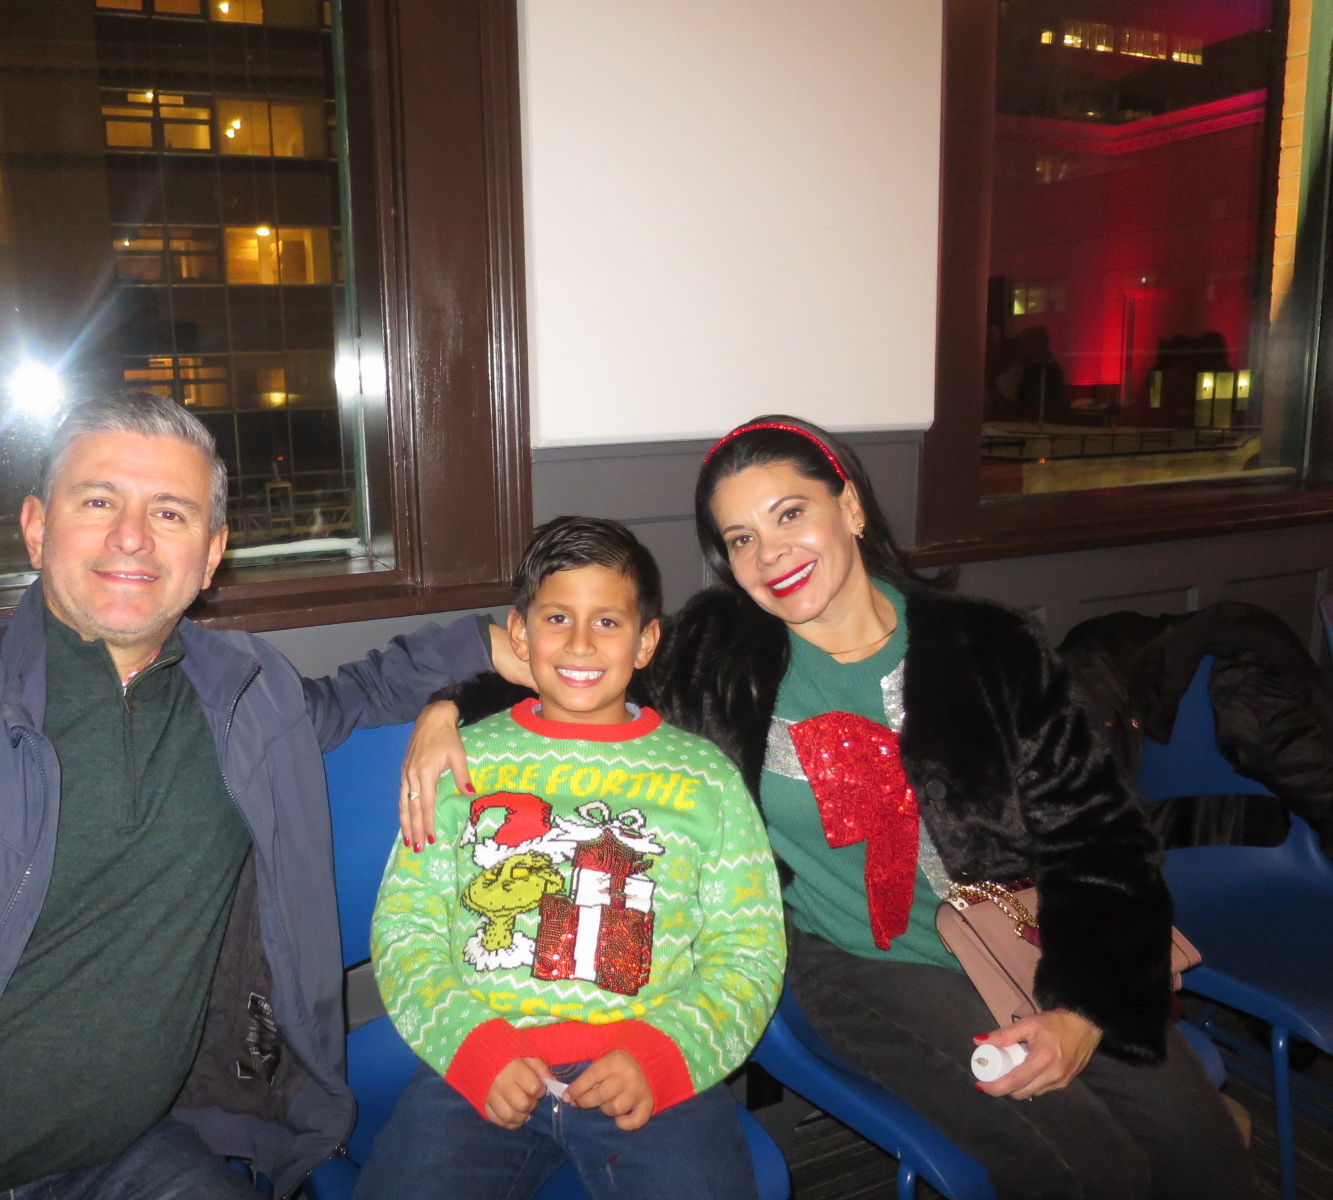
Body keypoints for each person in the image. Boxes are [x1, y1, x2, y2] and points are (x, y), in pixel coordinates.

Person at [401, 417, 1258, 1200]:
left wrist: (1082, 1008)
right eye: (741, 538)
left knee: (1202, 1154)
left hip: (1029, 937)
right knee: (1089, 1165)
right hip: (861, 964)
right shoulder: (715, 654)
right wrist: (448, 709)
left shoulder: (985, 647)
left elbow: (1101, 837)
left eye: (789, 514)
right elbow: (576, 669)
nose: (770, 553)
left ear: (848, 505)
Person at [0, 390, 526, 1200]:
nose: (131, 537)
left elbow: (355, 694)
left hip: (135, 1153)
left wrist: (475, 660)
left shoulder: (247, 699)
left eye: (170, 513)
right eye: (99, 501)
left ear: (212, 555)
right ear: (37, 527)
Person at [357, 516, 784, 1200]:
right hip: (482, 1060)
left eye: (608, 622)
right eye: (558, 618)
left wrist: (662, 1056)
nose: (581, 643)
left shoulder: (705, 779)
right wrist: (473, 1048)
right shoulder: (463, 761)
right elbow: (405, 927)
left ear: (646, 642)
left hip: (647, 1064)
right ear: (520, 635)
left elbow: (749, 950)